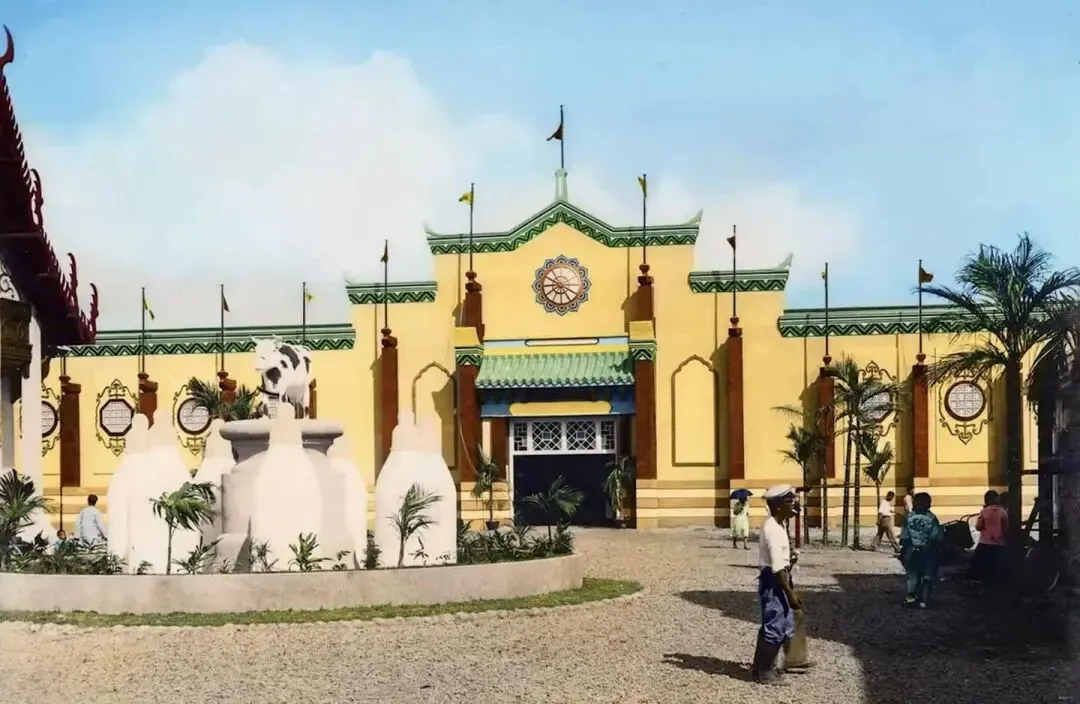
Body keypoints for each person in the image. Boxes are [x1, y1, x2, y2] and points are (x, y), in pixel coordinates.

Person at [751, 485, 802, 685]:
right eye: (789, 502)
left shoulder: (778, 525)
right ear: (778, 506)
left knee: (781, 623)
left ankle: (763, 667)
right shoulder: (773, 529)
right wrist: (790, 594)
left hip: (778, 577)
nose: (794, 504)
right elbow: (778, 567)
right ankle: (763, 672)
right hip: (774, 580)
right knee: (775, 625)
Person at [899, 492, 944, 608]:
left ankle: (911, 597)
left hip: (911, 550)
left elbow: (904, 536)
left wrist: (904, 549)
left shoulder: (908, 517)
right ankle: (924, 599)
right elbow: (937, 536)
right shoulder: (932, 518)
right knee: (927, 575)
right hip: (928, 551)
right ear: (929, 504)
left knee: (912, 575)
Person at [968, 490, 1007, 585]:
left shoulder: (983, 512)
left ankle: (982, 581)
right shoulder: (1003, 512)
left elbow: (978, 527)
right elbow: (1006, 528)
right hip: (999, 543)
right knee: (997, 566)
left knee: (981, 564)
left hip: (984, 543)